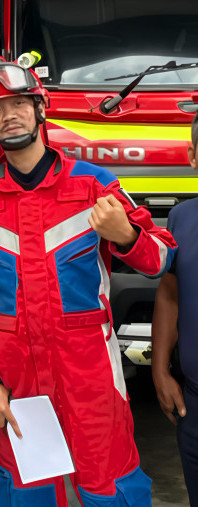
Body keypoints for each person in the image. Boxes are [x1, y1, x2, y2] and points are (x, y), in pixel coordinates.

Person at [0, 61, 177, 505]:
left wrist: (128, 236)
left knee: (109, 482)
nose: (8, 115)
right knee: (29, 489)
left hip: (89, 370)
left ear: (41, 109)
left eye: (19, 103)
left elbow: (161, 259)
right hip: (18, 376)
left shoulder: (95, 184)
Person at [152, 112, 198, 504]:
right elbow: (170, 293)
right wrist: (159, 370)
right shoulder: (181, 218)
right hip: (194, 401)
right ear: (192, 156)